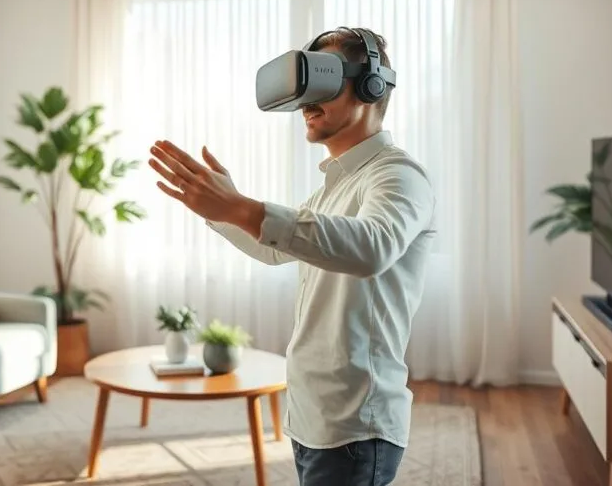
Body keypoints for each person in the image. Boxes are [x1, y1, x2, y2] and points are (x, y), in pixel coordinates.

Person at [147, 27, 436, 486]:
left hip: (356, 422)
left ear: (370, 85)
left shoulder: (399, 176)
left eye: (322, 84)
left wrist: (242, 208)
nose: (306, 102)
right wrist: (219, 211)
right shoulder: (334, 186)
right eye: (304, 89)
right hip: (314, 416)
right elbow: (276, 250)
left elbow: (372, 247)